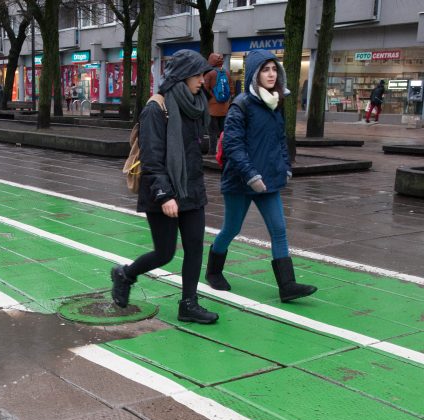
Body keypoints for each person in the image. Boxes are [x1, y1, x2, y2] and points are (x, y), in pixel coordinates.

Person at [110, 49, 219, 325]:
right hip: (163, 192)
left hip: (191, 188)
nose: (202, 80)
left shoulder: (195, 105)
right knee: (165, 252)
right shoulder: (155, 109)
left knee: (195, 247)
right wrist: (165, 195)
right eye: (197, 75)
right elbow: (151, 158)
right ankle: (125, 274)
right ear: (183, 76)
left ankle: (188, 304)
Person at [205, 50, 317, 304]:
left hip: (268, 181)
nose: (270, 74)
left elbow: (279, 140)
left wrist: (285, 167)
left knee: (279, 230)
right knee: (231, 229)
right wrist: (250, 174)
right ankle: (213, 271)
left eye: (274, 69)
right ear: (255, 74)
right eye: (265, 69)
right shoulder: (241, 105)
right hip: (240, 181)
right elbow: (233, 145)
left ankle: (287, 286)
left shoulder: (276, 103)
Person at [202, 52, 231, 141]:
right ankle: (224, 150)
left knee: (212, 132)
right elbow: (231, 90)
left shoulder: (209, 74)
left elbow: (204, 89)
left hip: (212, 109)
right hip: (224, 108)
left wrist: (210, 97)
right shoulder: (227, 73)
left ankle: (212, 151)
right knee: (224, 132)